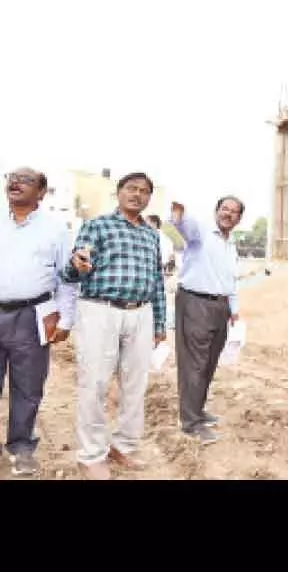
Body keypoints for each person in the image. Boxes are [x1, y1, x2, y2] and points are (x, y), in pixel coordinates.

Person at [63, 172, 167, 480]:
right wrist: (77, 263)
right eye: (131, 188)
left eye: (144, 191)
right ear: (118, 192)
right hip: (100, 310)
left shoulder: (151, 235)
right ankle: (91, 455)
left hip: (141, 312)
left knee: (135, 384)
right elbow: (73, 269)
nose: (137, 194)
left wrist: (160, 322)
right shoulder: (97, 225)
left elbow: (157, 280)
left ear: (149, 198)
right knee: (95, 383)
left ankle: (123, 446)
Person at [0, 167, 78, 476]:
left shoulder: (55, 230)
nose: (16, 183)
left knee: (28, 386)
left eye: (26, 180)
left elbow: (67, 277)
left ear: (42, 193)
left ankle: (21, 447)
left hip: (32, 316)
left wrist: (66, 319)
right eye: (12, 178)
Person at [170, 196, 244, 445]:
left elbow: (231, 279)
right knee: (195, 363)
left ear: (239, 218)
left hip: (220, 306)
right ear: (216, 211)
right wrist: (179, 215)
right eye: (225, 209)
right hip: (195, 302)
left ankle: (197, 410)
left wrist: (234, 310)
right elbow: (184, 225)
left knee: (210, 361)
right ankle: (190, 423)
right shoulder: (201, 231)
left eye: (234, 212)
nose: (228, 214)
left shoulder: (230, 244)